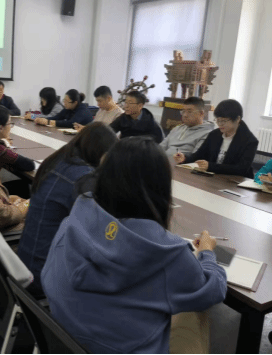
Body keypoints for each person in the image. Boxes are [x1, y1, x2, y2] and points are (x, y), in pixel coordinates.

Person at [41, 137, 227, 354]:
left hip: (64, 339)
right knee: (194, 312)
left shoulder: (74, 219)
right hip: (120, 347)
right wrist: (207, 252)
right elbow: (213, 290)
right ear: (160, 187)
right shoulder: (167, 254)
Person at [17, 122, 119, 297]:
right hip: (44, 276)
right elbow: (100, 233)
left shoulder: (56, 161)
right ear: (100, 152)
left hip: (25, 265)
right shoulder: (84, 178)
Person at [174, 99, 258, 177]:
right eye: (218, 120)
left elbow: (241, 169)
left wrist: (210, 166)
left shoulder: (250, 141)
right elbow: (198, 155)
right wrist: (184, 158)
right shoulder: (214, 134)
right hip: (213, 178)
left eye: (224, 121)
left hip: (235, 182)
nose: (220, 124)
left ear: (237, 119)